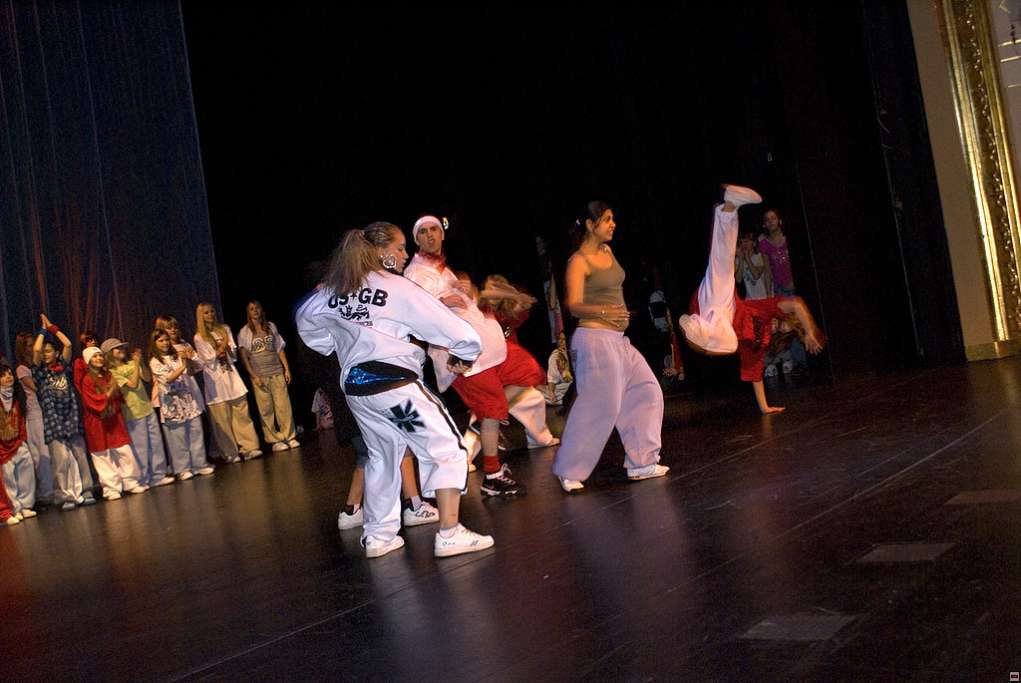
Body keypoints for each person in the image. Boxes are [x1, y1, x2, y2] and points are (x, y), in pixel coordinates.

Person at [296, 221, 493, 559]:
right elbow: (445, 324)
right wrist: (465, 351)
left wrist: (333, 343)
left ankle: (379, 535)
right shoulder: (395, 287)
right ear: (380, 251)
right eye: (400, 248)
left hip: (359, 392)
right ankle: (449, 533)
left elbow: (305, 317)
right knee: (445, 446)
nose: (404, 255)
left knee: (381, 456)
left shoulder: (334, 290)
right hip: (395, 389)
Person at [403, 215, 534, 495]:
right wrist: (441, 301)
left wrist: (469, 291)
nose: (430, 235)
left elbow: (465, 305)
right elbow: (415, 314)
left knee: (529, 371)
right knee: (493, 407)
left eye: (434, 229)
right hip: (463, 357)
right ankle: (492, 474)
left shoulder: (443, 269)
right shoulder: (416, 273)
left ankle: (484, 421)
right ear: (416, 240)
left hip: (488, 347)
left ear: (442, 234)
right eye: (423, 232)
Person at [552, 202, 669, 493]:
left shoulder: (607, 251)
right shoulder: (578, 261)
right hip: (594, 341)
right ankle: (569, 470)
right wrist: (605, 311)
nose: (612, 224)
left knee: (646, 390)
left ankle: (642, 461)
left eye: (613, 218)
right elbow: (573, 305)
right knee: (600, 404)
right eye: (606, 220)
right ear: (590, 225)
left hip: (618, 340)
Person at [678, 185, 825, 414]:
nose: (777, 325)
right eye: (781, 322)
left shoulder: (757, 346)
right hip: (724, 305)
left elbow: (756, 376)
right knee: (723, 262)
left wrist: (765, 407)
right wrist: (809, 332)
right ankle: (729, 208)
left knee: (729, 341)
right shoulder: (765, 310)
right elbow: (796, 304)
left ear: (780, 337)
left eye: (780, 329)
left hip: (712, 316)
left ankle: (698, 327)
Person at [32, 316, 96, 509]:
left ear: (56, 353)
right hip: (54, 421)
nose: (45, 354)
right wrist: (42, 331)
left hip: (70, 416)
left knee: (80, 455)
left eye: (49, 351)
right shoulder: (41, 373)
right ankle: (64, 495)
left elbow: (67, 344)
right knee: (61, 461)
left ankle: (87, 490)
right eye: (44, 352)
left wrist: (52, 327)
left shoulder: (64, 368)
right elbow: (36, 350)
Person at [193, 303, 262, 462]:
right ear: (201, 316)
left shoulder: (224, 329)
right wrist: (221, 347)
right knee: (222, 421)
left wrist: (226, 348)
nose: (210, 314)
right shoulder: (199, 337)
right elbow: (207, 359)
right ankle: (230, 452)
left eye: (212, 311)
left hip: (231, 378)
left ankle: (249, 448)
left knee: (242, 416)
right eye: (206, 313)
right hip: (215, 382)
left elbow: (233, 354)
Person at [104, 338, 174, 488]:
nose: (121, 350)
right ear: (109, 353)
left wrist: (140, 363)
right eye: (117, 349)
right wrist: (136, 363)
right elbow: (133, 384)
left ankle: (158, 475)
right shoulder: (112, 372)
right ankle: (143, 478)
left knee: (155, 443)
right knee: (140, 447)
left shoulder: (131, 363)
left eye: (122, 348)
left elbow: (147, 378)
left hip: (147, 407)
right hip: (133, 412)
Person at [79, 346, 147, 500]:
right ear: (88, 361)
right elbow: (92, 402)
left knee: (124, 450)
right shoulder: (87, 380)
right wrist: (109, 393)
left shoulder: (109, 375)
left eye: (100, 355)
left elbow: (117, 396)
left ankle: (130, 482)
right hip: (97, 421)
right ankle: (111, 489)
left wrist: (113, 393)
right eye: (94, 356)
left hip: (113, 419)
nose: (98, 359)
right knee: (102, 456)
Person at [149, 330, 215, 480]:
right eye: (161, 341)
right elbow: (168, 378)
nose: (165, 343)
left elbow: (197, 367)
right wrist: (183, 364)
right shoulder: (155, 361)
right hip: (172, 404)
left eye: (166, 340)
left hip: (188, 400)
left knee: (195, 433)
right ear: (154, 344)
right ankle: (182, 468)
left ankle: (199, 464)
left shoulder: (177, 356)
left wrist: (191, 357)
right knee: (177, 439)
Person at [237, 301, 300, 452]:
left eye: (257, 308)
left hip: (276, 372)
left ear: (261, 310)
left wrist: (286, 369)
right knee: (266, 410)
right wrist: (254, 376)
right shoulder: (245, 332)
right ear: (248, 313)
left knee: (284, 407)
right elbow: (244, 357)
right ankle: (274, 440)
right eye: (251, 309)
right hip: (260, 375)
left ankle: (289, 436)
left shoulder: (271, 326)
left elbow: (279, 349)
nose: (255, 311)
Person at [15, 332, 54, 506]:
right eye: (29, 346)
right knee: (41, 455)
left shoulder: (39, 365)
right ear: (23, 349)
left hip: (47, 411)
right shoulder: (22, 369)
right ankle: (46, 492)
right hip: (35, 415)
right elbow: (36, 386)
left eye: (33, 345)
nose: (32, 349)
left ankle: (55, 488)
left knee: (52, 452)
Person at [0, 361, 38, 519]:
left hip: (18, 440)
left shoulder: (17, 396)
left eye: (10, 374)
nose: (8, 377)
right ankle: (14, 508)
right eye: (3, 375)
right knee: (8, 477)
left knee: (26, 470)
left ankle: (26, 505)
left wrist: (22, 438)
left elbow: (21, 417)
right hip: (3, 446)